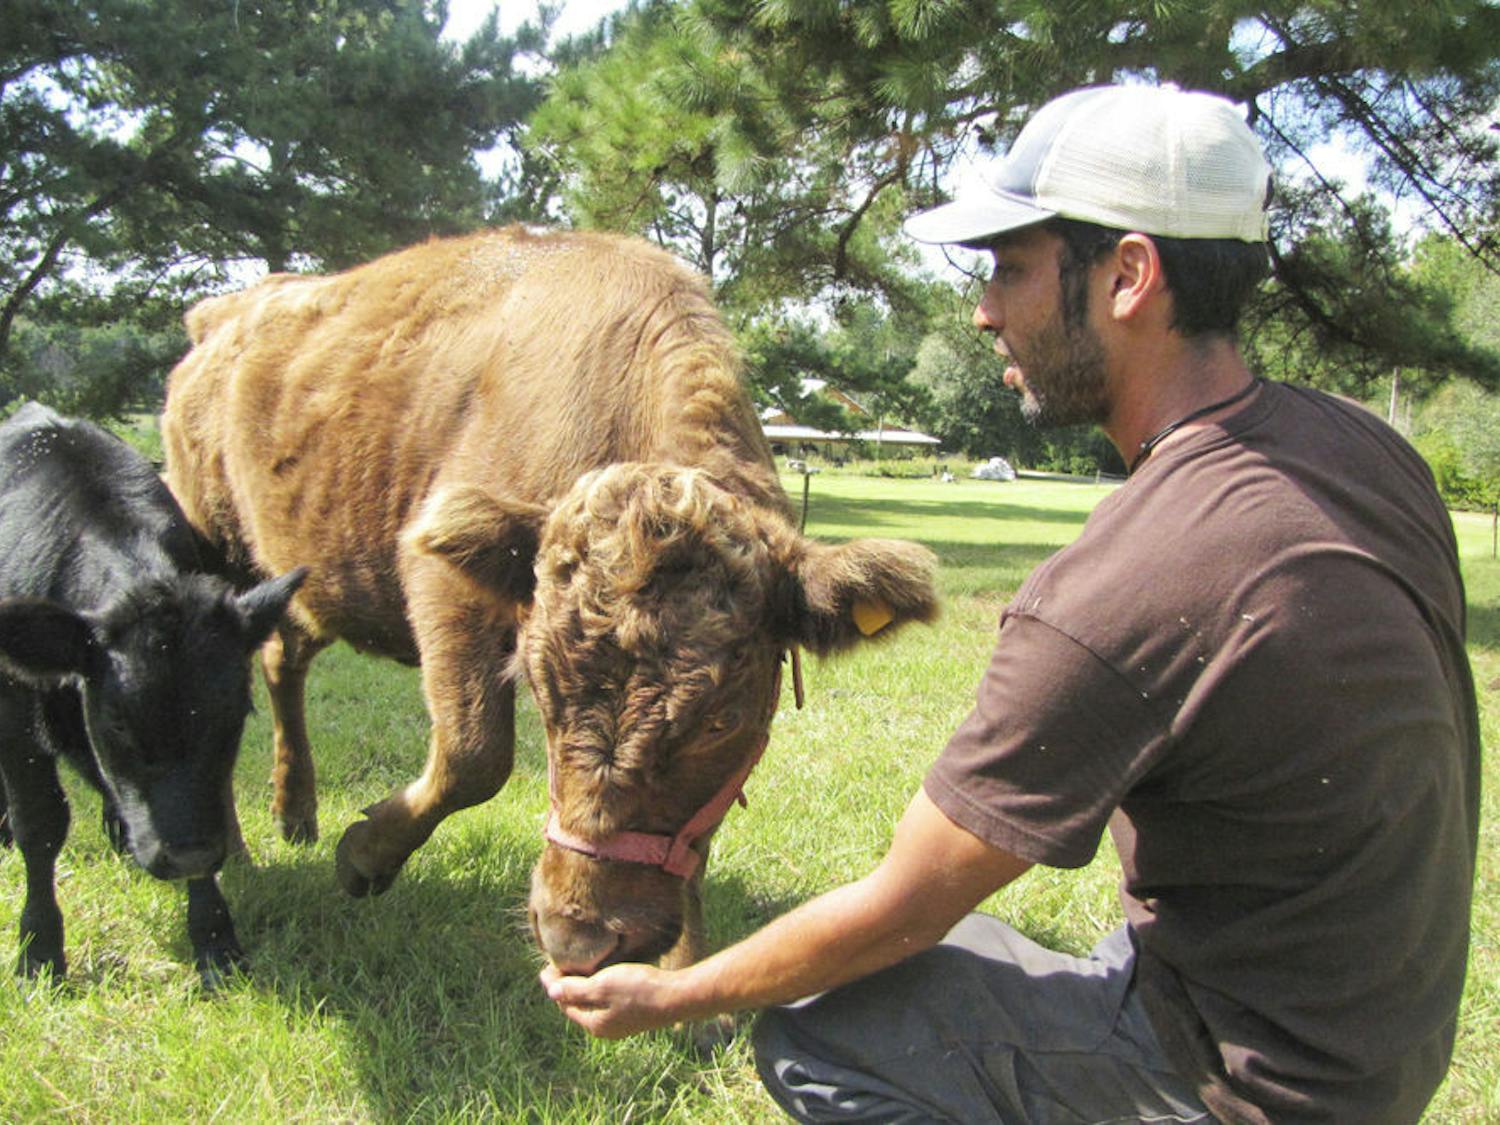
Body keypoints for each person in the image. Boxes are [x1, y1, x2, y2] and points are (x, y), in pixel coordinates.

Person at [541, 84, 1479, 1123]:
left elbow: (909, 901)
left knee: (819, 1028)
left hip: (1252, 1087)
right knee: (953, 962)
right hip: (1372, 1042)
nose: (985, 308)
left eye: (1010, 267)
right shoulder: (1364, 450)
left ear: (1128, 276)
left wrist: (674, 991)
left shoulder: (1131, 584)